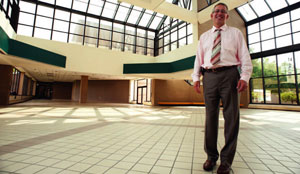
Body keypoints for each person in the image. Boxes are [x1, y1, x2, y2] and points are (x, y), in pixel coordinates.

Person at [192, 3, 253, 174]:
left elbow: (244, 57)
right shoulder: (204, 37)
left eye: (223, 12)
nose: (219, 13)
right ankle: (211, 157)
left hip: (230, 75)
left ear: (227, 16)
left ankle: (226, 161)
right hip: (209, 76)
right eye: (216, 11)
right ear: (212, 16)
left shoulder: (235, 33)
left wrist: (244, 77)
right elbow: (198, 58)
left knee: (231, 118)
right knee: (210, 118)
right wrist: (196, 77)